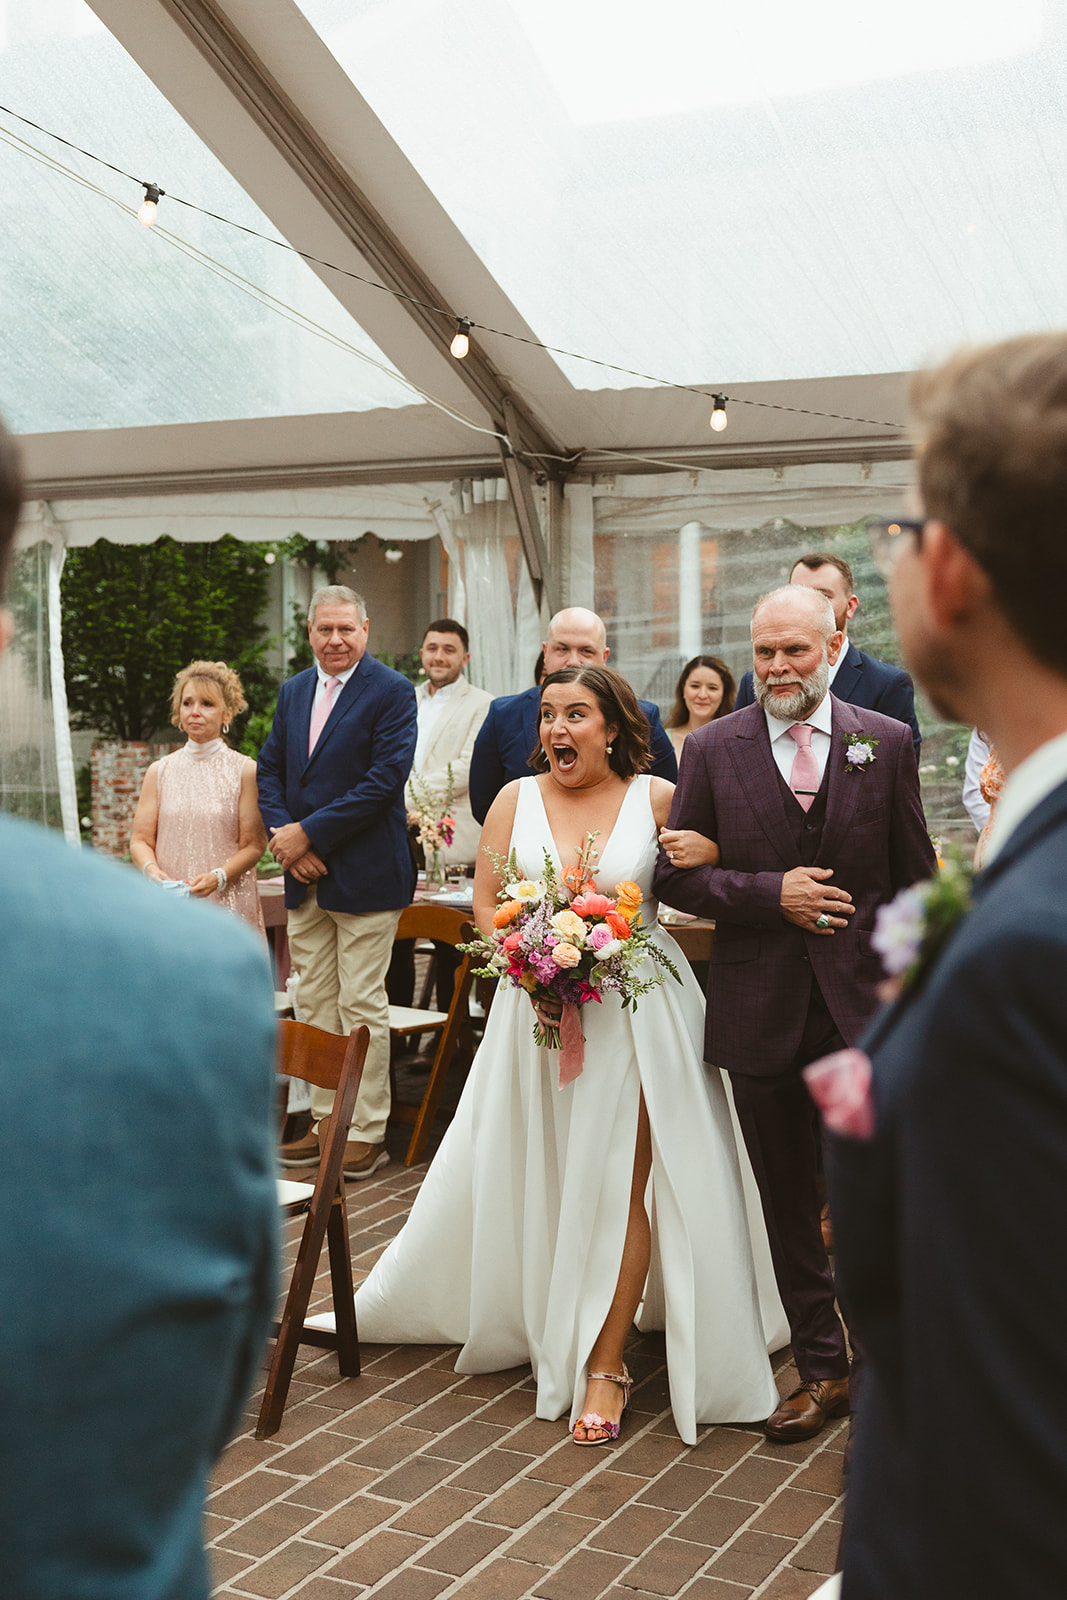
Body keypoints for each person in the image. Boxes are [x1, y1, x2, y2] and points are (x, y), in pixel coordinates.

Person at [354, 665, 786, 1446]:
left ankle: (605, 1360)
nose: (556, 728)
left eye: (576, 714)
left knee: (624, 1183)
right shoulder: (515, 800)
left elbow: (705, 875)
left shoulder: (655, 798)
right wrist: (525, 959)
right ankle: (550, 1312)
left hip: (640, 1017)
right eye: (548, 715)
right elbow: (486, 902)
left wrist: (716, 855)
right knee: (551, 1171)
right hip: (536, 1018)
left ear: (614, 728)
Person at [0, 415, 278, 1600]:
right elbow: (210, 1381)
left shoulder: (194, 963)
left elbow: (256, 840)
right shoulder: (175, 989)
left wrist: (210, 883)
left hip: (212, 905)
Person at [827, 333, 1067, 1597]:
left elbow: (1016, 1466)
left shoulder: (1021, 961)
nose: (891, 548)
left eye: (901, 521)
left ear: (957, 572)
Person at [654, 585, 936, 1444]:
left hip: (859, 1019)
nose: (778, 668)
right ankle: (822, 1370)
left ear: (833, 643)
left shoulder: (882, 742)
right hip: (762, 1010)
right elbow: (674, 877)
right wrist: (765, 892)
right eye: (764, 652)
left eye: (796, 652)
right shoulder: (709, 748)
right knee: (784, 1198)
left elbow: (913, 881)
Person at [257, 584, 417, 1179]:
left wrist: (310, 836)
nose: (335, 640)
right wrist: (285, 836)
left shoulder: (393, 692)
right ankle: (326, 1120)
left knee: (360, 1002)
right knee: (315, 998)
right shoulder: (294, 691)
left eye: (346, 629)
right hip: (305, 875)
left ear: (366, 630)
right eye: (325, 630)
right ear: (310, 633)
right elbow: (270, 769)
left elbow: (383, 782)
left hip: (367, 874)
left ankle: (364, 1130)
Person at [469, 606, 677, 823]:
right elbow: (485, 805)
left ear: (604, 656)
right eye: (562, 649)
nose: (573, 661)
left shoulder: (642, 716)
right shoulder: (502, 714)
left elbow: (669, 810)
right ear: (545, 652)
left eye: (586, 651)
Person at [389, 618, 491, 1010]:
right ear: (421, 653)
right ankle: (400, 1040)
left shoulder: (482, 704)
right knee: (396, 943)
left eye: (449, 650)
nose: (439, 656)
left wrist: (395, 798)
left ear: (464, 657)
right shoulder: (402, 697)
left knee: (452, 947)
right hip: (397, 840)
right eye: (432, 648)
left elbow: (465, 768)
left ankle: (450, 1048)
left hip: (450, 843)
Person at [129, 659, 267, 934]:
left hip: (228, 906)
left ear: (227, 714)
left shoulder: (245, 771)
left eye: (207, 704)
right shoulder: (160, 771)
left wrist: (219, 877)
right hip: (172, 904)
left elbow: (253, 845)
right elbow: (141, 840)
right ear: (178, 712)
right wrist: (151, 871)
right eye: (187, 703)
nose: (195, 712)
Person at [734, 552, 921, 754]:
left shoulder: (887, 684)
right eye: (799, 593)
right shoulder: (755, 682)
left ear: (850, 606)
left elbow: (897, 770)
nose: (808, 604)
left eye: (823, 596)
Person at [665, 653, 736, 761]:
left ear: (724, 694)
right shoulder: (663, 739)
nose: (702, 695)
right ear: (683, 689)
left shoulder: (736, 743)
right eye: (695, 686)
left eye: (712, 688)